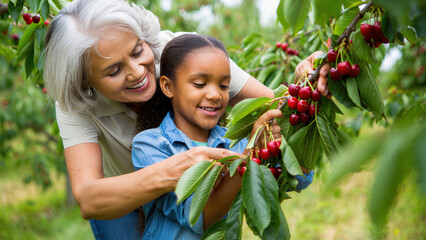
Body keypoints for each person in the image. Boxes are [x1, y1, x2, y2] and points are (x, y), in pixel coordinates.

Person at [42, 0, 330, 239]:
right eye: (113, 70)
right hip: (119, 194)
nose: (137, 72)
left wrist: (307, 78)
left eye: (137, 51)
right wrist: (173, 171)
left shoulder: (189, 57)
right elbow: (90, 198)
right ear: (85, 81)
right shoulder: (76, 102)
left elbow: (278, 109)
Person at [132, 34, 283, 239]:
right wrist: (252, 150)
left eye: (223, 86)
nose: (215, 95)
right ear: (168, 87)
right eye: (200, 84)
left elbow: (296, 179)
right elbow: (200, 217)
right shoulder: (150, 145)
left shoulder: (233, 141)